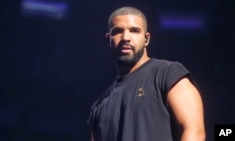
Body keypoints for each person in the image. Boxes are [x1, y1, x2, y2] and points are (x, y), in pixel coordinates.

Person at [87, 6, 205, 141]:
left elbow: (194, 132)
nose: (126, 37)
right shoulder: (99, 106)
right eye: (118, 31)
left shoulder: (167, 74)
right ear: (108, 39)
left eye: (134, 31)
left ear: (146, 39)